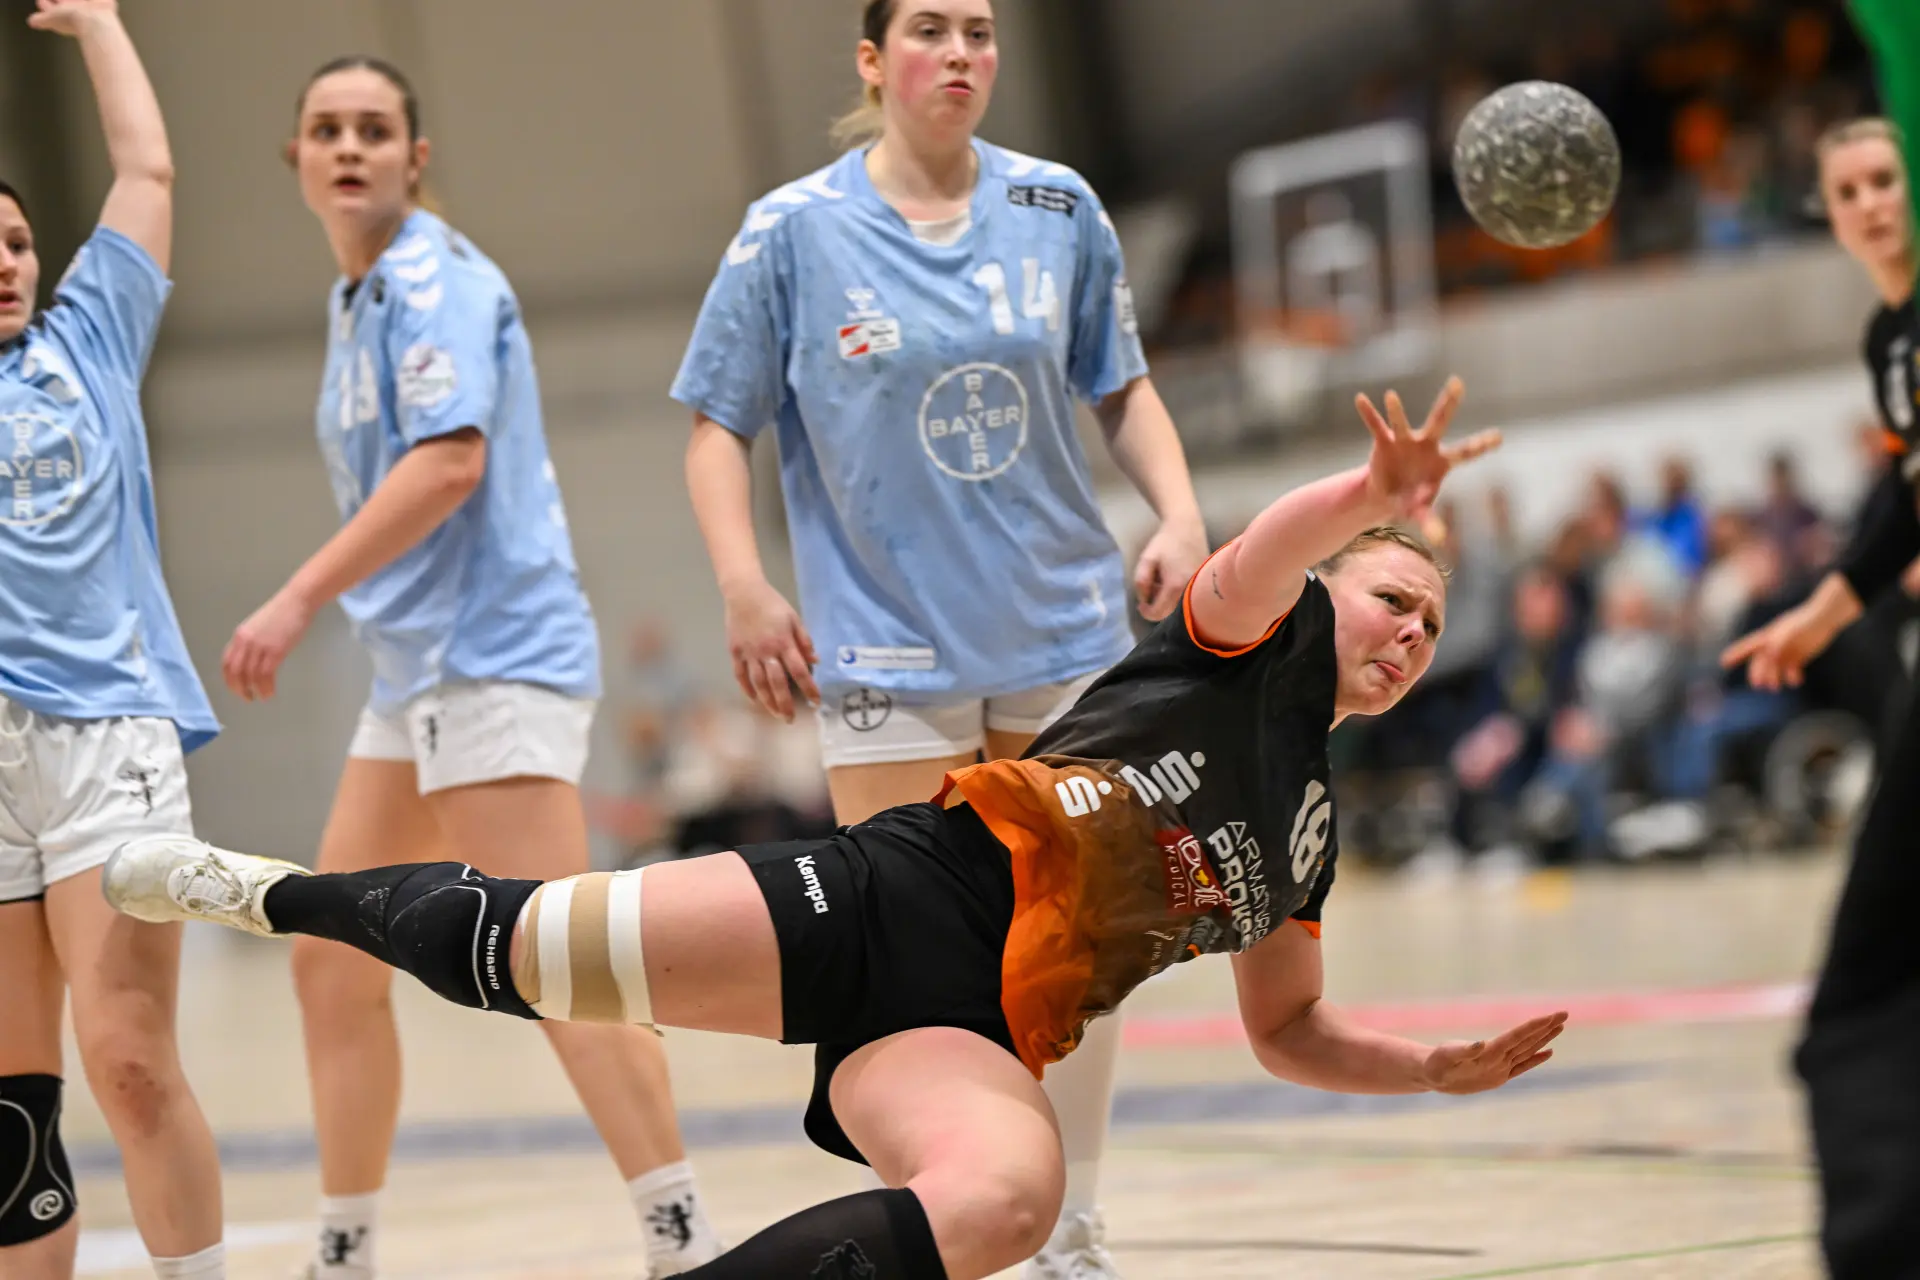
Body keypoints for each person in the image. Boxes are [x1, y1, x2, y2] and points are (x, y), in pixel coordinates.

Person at [107, 380, 1569, 1280]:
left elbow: (1288, 1028)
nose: (1410, 635)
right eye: (1394, 598)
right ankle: (264, 891)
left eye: (1432, 628)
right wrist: (1367, 497)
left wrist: (1425, 1068)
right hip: (895, 896)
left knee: (1012, 1199)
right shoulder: (1242, 641)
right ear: (1327, 590)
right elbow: (1259, 553)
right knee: (529, 949)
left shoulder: (1307, 837)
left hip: (977, 1030)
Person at [672, 1, 1208, 1271]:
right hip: (886, 647)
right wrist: (745, 585)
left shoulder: (1058, 208)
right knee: (912, 962)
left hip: (1061, 631)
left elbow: (1122, 386)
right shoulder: (790, 231)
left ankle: (1071, 1227)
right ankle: (936, 1222)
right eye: (929, 29)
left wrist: (1182, 513)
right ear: (873, 61)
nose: (960, 52)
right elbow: (716, 426)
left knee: (1079, 947)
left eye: (979, 29)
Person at [217, 56, 717, 1278]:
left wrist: (295, 597)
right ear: (297, 158)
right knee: (331, 960)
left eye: (373, 129)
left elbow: (449, 463)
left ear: (415, 157)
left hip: (493, 659)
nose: (349, 147)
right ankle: (344, 1252)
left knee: (553, 963)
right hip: (416, 674)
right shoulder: (358, 298)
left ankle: (688, 1242)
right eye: (326, 129)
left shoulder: (435, 278)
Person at [0, 3, 229, 1277]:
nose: (9, 262)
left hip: (106, 743)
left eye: (19, 241)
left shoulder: (86, 344)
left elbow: (147, 169)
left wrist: (97, 22)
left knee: (130, 1060)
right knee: (9, 1104)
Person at [1719, 58, 1920, 1273]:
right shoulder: (1890, 336)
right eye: (1848, 191)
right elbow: (1902, 503)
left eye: (1888, 179)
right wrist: (1821, 610)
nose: (1871, 204)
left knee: (1863, 990)